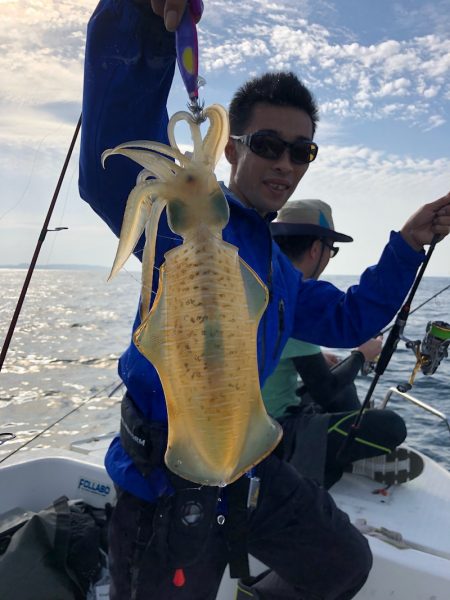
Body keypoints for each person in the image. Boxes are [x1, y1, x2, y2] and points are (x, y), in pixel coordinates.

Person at [79, 1, 450, 598]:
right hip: (165, 490)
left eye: (301, 151)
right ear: (231, 149)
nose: (284, 164)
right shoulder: (180, 224)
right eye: (269, 145)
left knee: (342, 563)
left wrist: (408, 243)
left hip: (248, 463)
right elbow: (108, 170)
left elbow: (350, 316)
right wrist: (143, 21)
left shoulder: (275, 264)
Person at [263, 199, 421, 490]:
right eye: (331, 250)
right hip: (271, 433)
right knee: (391, 425)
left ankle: (346, 447)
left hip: (248, 419)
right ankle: (349, 456)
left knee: (343, 380)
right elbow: (325, 389)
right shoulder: (297, 299)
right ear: (316, 249)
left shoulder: (263, 283)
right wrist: (361, 356)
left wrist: (320, 355)